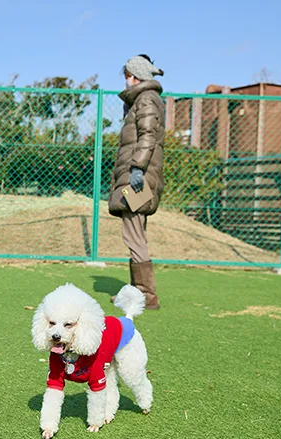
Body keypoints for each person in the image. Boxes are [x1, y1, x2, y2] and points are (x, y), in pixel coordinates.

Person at [109, 54, 166, 310]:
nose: (125, 82)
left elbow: (147, 137)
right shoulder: (143, 100)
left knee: (134, 236)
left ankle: (146, 296)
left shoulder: (146, 99)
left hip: (138, 176)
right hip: (138, 173)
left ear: (135, 76)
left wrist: (137, 169)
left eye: (127, 77)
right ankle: (136, 293)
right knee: (134, 233)